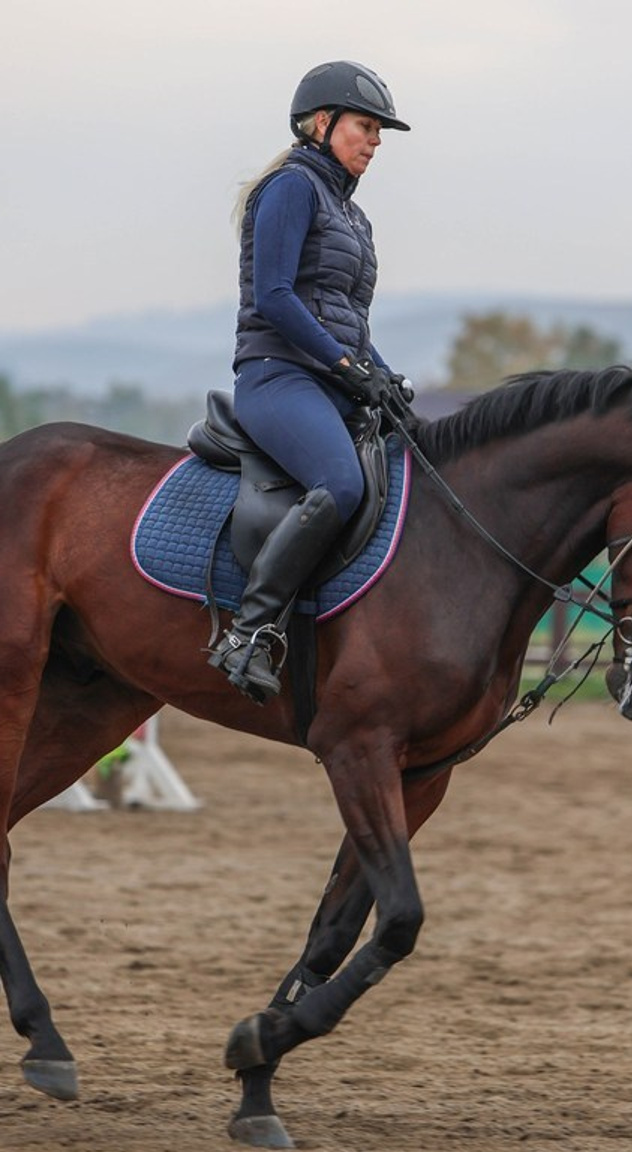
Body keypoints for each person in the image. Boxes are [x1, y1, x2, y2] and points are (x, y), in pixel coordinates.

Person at [208, 60, 410, 703]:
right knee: (341, 482)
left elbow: (345, 319)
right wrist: (348, 368)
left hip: (328, 379)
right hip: (277, 376)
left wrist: (381, 377)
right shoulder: (291, 188)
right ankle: (249, 631)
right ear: (321, 123)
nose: (374, 141)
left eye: (379, 132)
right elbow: (274, 297)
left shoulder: (355, 219)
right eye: (364, 127)